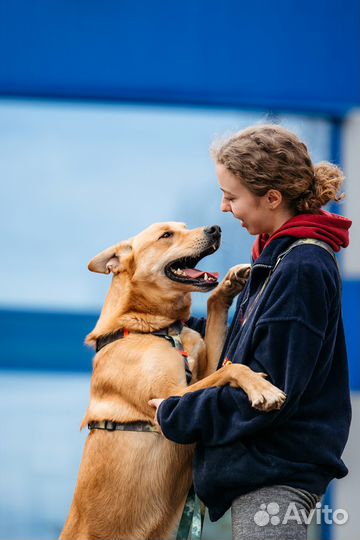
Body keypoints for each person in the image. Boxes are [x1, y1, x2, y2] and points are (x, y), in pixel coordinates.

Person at [149, 124, 352, 540]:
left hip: (275, 484)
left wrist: (174, 414)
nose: (224, 208)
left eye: (232, 196)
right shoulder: (277, 262)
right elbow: (247, 356)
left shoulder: (301, 268)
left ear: (272, 198)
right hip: (261, 478)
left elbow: (267, 392)